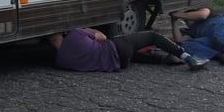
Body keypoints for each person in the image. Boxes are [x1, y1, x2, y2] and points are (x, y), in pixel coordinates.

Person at [49, 28, 208, 72]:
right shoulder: (76, 35)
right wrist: (86, 29)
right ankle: (189, 58)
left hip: (119, 63)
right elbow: (103, 37)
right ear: (63, 34)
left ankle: (164, 59)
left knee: (134, 56)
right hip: (117, 47)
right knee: (152, 36)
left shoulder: (61, 62)